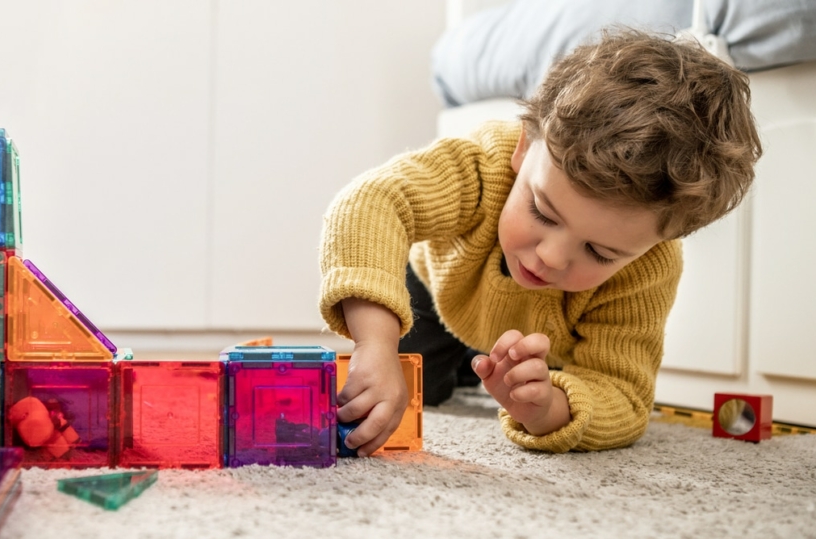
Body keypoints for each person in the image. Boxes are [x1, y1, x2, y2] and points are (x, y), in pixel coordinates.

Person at [318, 28, 762, 456]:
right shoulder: (483, 162)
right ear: (524, 148)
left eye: (599, 252)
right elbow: (371, 201)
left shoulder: (649, 268)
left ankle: (499, 372)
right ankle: (464, 367)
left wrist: (549, 408)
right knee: (407, 390)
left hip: (541, 340)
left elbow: (624, 397)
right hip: (440, 292)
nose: (550, 256)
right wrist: (374, 345)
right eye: (542, 212)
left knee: (531, 384)